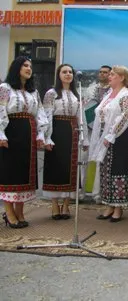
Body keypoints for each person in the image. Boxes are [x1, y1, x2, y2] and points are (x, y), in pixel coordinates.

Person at [0, 56, 48, 228]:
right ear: (16, 68)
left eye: (30, 66)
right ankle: (9, 213)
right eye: (25, 65)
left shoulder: (33, 91)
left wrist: (41, 134)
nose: (29, 68)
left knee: (24, 172)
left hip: (28, 133)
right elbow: (0, 110)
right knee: (10, 172)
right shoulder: (5, 88)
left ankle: (20, 212)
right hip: (11, 132)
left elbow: (40, 113)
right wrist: (1, 134)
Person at [88, 65, 128, 222]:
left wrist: (111, 134)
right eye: (109, 74)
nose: (109, 77)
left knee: (118, 170)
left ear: (122, 77)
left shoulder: (127, 95)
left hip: (120, 137)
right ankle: (109, 205)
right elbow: (99, 115)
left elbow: (125, 117)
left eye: (113, 74)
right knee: (105, 170)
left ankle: (118, 207)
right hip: (105, 137)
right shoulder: (109, 95)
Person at [42, 64, 89, 220]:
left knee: (71, 168)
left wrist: (85, 139)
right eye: (64, 72)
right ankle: (55, 205)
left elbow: (81, 117)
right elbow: (47, 116)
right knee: (55, 165)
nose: (68, 74)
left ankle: (67, 205)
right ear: (59, 75)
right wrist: (46, 137)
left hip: (73, 132)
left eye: (70, 72)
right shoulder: (51, 93)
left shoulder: (77, 94)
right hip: (56, 130)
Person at [84, 65, 111, 203]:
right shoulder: (90, 90)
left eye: (105, 72)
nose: (102, 74)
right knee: (85, 160)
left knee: (103, 161)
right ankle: (81, 191)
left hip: (108, 130)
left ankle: (99, 193)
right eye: (100, 72)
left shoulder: (114, 91)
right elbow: (86, 108)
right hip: (91, 130)